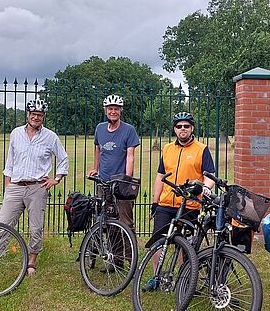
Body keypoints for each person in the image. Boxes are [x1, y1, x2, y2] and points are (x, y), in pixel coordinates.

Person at [0, 98, 69, 277]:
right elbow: (10, 160)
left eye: (40, 115)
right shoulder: (16, 133)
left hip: (37, 187)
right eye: (34, 114)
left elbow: (63, 158)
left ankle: (31, 261)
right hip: (15, 186)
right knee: (2, 225)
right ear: (28, 115)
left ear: (43, 116)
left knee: (36, 227)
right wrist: (8, 184)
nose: (36, 117)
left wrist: (56, 179)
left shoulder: (50, 137)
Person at [150, 112, 215, 241]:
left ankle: (183, 255)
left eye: (186, 126)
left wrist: (206, 187)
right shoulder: (167, 148)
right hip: (166, 203)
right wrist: (155, 202)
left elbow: (209, 174)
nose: (183, 129)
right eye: (179, 126)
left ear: (192, 128)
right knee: (157, 241)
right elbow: (160, 176)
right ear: (175, 129)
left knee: (185, 243)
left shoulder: (201, 149)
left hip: (189, 204)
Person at [88, 94, 140, 230]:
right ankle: (112, 244)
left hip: (120, 181)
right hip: (104, 181)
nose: (113, 112)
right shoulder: (100, 128)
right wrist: (96, 169)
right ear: (105, 110)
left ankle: (128, 244)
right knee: (105, 218)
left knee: (125, 220)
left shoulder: (129, 130)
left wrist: (127, 179)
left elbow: (130, 156)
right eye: (110, 109)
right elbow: (98, 149)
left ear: (120, 111)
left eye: (116, 109)